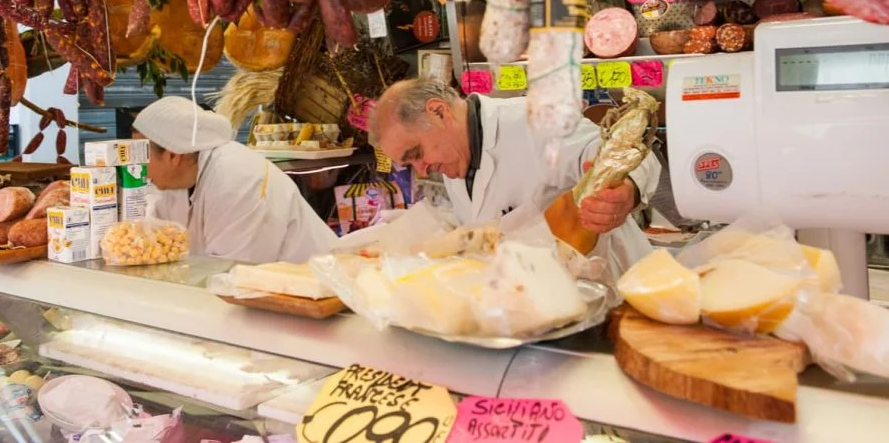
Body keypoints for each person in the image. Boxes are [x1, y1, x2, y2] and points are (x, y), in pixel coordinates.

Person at [368, 78, 659, 277]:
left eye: (416, 153)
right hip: (543, 302)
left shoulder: (534, 123)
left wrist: (628, 189)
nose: (421, 169)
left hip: (610, 291)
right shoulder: (453, 158)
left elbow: (621, 152)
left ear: (439, 112)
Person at [132, 96, 337, 264]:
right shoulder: (172, 181)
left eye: (142, 155)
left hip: (316, 290)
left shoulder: (238, 179)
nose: (137, 166)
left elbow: (233, 273)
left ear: (173, 155)